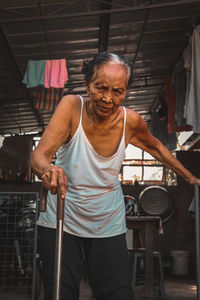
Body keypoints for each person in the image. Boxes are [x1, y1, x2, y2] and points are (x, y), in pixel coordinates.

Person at [31, 52, 200, 300]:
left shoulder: (130, 121)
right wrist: (48, 169)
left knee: (117, 292)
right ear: (87, 83)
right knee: (60, 291)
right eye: (100, 87)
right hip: (62, 217)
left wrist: (191, 178)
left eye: (118, 91)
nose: (107, 98)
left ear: (126, 92)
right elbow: (39, 156)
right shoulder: (70, 107)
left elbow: (157, 149)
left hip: (106, 221)